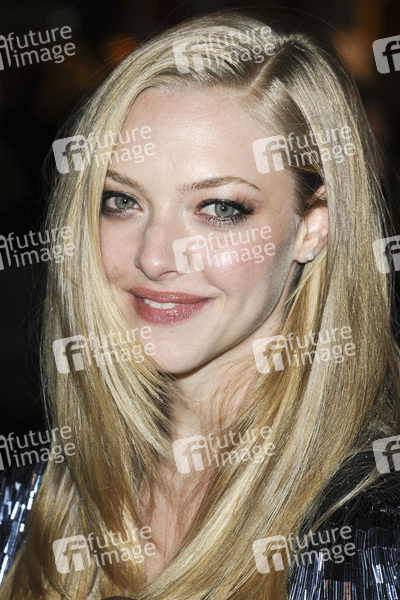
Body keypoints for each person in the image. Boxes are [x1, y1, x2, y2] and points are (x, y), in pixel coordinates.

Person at [1, 10, 400, 600]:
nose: (156, 257)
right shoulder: (28, 499)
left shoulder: (372, 539)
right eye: (121, 201)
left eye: (218, 208)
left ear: (313, 227)